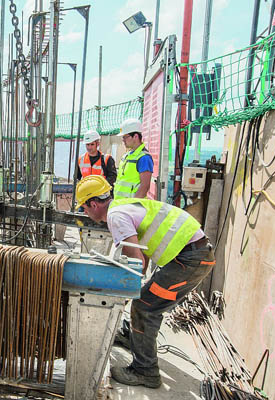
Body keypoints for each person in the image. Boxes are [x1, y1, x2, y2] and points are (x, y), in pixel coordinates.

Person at [75, 175, 215, 388]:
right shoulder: (124, 205)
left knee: (145, 307)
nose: (85, 212)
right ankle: (133, 336)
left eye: (84, 208)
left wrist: (116, 292)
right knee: (145, 298)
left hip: (189, 260)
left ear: (93, 204)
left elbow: (135, 262)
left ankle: (145, 371)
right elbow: (143, 251)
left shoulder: (116, 217)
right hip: (193, 254)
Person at [114, 119, 153, 199]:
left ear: (135, 136)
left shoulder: (144, 158)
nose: (123, 140)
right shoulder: (127, 156)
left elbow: (144, 186)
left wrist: (133, 206)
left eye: (125, 137)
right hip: (120, 204)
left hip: (130, 207)